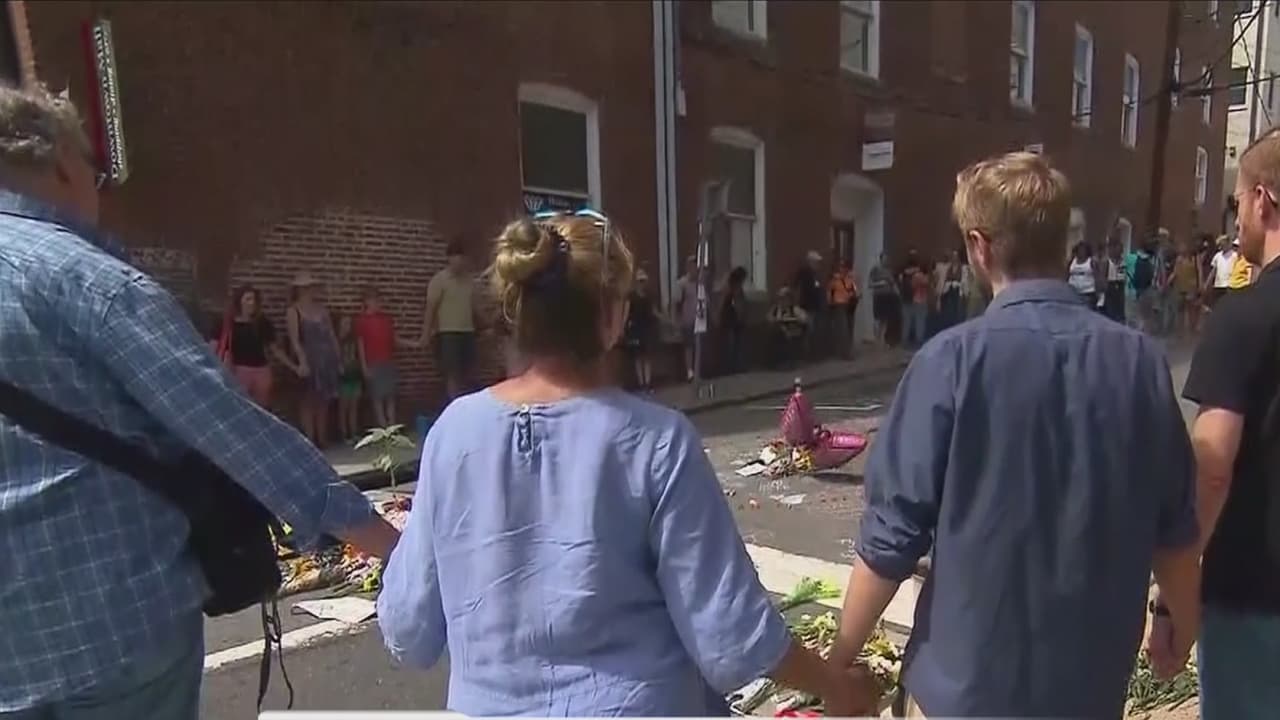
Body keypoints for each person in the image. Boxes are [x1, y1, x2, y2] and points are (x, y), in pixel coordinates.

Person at [0, 84, 399, 720]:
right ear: (62, 165)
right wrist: (384, 541)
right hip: (111, 629)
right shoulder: (88, 283)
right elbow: (233, 431)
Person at [377, 212, 871, 717]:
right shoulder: (655, 441)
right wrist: (837, 685)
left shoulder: (452, 433)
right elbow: (731, 633)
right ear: (612, 316)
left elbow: (408, 627)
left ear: (515, 309)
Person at [828, 152, 1200, 718]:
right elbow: (1173, 527)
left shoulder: (949, 363)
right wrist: (1183, 623)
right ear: (1061, 242)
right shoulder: (1140, 364)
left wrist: (838, 662)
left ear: (979, 246)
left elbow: (891, 537)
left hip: (963, 689)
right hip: (1086, 689)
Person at [1182, 129, 1280, 720]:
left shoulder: (1240, 318)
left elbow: (1211, 468)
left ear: (1262, 199)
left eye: (1237, 200)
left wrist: (1173, 595)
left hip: (1255, 593)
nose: (1236, 216)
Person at [217, 284, 298, 407]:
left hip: (261, 370)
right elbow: (217, 347)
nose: (251, 303)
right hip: (239, 370)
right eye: (248, 299)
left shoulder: (262, 322)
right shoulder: (229, 323)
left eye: (254, 299)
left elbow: (274, 349)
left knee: (261, 407)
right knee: (240, 406)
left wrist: (294, 367)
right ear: (239, 301)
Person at [420, 240, 481, 400]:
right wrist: (425, 334)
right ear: (449, 258)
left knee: (468, 371)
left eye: (462, 258)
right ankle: (453, 403)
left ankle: (466, 403)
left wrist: (489, 324)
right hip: (448, 333)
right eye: (456, 258)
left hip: (467, 331)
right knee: (452, 373)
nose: (459, 262)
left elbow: (475, 308)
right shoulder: (439, 280)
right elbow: (431, 308)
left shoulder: (469, 281)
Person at [286, 272, 342, 447]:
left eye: (311, 287)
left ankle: (322, 437)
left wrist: (338, 358)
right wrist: (302, 361)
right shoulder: (293, 311)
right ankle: (309, 440)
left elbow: (331, 335)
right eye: (306, 288)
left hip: (326, 359)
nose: (310, 291)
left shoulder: (322, 310)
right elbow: (294, 340)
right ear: (299, 290)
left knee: (323, 400)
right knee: (308, 400)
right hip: (308, 358)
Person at [355, 286, 401, 428]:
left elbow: (393, 339)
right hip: (373, 362)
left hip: (388, 360)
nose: (377, 303)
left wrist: (415, 343)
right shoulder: (362, 321)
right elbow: (360, 345)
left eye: (378, 300)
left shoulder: (386, 319)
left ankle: (392, 424)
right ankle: (382, 426)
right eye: (374, 300)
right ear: (366, 302)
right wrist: (364, 367)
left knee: (390, 395)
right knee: (377, 396)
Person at [623, 269, 659, 392]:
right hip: (635, 328)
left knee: (647, 356)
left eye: (643, 281)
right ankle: (641, 383)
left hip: (647, 327)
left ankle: (647, 383)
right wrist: (623, 326)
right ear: (636, 282)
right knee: (638, 357)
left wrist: (666, 319)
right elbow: (626, 312)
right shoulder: (631, 296)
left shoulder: (649, 295)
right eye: (640, 281)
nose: (642, 283)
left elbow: (654, 311)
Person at [793, 250, 827, 359]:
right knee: (808, 330)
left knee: (813, 330)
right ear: (810, 261)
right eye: (816, 262)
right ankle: (805, 354)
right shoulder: (805, 273)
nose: (818, 264)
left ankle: (812, 354)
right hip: (808, 305)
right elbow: (800, 287)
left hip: (815, 306)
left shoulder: (815, 274)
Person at [671, 256, 699, 382]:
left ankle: (697, 369)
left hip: (699, 320)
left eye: (696, 266)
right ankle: (689, 371)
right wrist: (675, 321)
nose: (694, 269)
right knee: (689, 346)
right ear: (688, 267)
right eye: (692, 266)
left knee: (698, 345)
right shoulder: (682, 283)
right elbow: (675, 303)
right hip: (687, 320)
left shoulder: (700, 283)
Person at [336, 314, 363, 443]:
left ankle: (353, 432)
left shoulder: (354, 340)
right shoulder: (336, 340)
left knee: (354, 406)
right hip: (343, 377)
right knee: (344, 407)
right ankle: (344, 433)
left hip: (354, 374)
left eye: (349, 323)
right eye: (344, 323)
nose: (347, 326)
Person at [768, 287, 810, 369]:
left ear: (790, 300)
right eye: (780, 299)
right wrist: (776, 321)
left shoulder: (795, 309)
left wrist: (794, 322)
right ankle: (777, 362)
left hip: (794, 333)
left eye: (784, 299)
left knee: (788, 340)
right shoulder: (776, 309)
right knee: (776, 339)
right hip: (780, 333)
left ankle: (789, 362)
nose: (782, 301)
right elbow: (769, 318)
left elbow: (804, 320)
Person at [719, 266, 749, 374]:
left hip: (732, 320)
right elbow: (736, 304)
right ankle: (733, 367)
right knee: (733, 344)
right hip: (732, 320)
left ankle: (734, 366)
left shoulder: (733, 288)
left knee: (734, 344)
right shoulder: (733, 289)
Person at [827, 258, 859, 358]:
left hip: (850, 305)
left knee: (849, 328)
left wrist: (854, 295)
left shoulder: (850, 278)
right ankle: (845, 353)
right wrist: (830, 303)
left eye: (844, 267)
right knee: (843, 329)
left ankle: (847, 350)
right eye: (841, 267)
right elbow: (829, 291)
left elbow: (855, 290)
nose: (842, 269)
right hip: (839, 305)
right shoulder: (834, 280)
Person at [898, 250, 928, 348]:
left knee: (907, 321)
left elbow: (900, 282)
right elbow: (926, 283)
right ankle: (917, 341)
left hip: (907, 298)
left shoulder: (903, 271)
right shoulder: (919, 273)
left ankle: (905, 341)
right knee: (919, 321)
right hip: (917, 298)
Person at [868, 253, 896, 345]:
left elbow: (892, 283)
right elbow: (870, 284)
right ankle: (877, 339)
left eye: (887, 259)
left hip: (888, 296)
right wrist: (880, 283)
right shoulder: (875, 269)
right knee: (877, 318)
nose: (886, 260)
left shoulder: (889, 270)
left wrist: (895, 292)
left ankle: (882, 339)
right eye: (884, 258)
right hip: (878, 296)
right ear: (881, 259)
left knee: (885, 319)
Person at [1171, 246, 1200, 334]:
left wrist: (1201, 285)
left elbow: (1200, 271)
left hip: (1191, 287)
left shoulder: (1195, 258)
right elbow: (1175, 272)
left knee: (1191, 310)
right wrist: (1168, 282)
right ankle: (1180, 331)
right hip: (1180, 287)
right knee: (1180, 310)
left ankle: (1192, 329)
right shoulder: (1179, 259)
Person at [1206, 235, 1237, 308]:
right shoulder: (1217, 256)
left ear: (1228, 243)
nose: (1221, 247)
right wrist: (1207, 283)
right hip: (1218, 285)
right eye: (1220, 245)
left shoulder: (1234, 255)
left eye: (1223, 244)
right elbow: (1213, 271)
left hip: (1229, 285)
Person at [1101, 239, 1127, 322]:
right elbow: (1103, 276)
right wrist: (1105, 287)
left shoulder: (1123, 261)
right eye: (1118, 248)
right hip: (1110, 285)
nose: (1119, 251)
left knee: (1120, 310)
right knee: (1110, 311)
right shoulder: (1106, 261)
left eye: (1121, 249)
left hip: (1120, 285)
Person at [1066, 242, 1097, 307]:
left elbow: (1097, 276)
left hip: (1088, 292)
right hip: (1074, 292)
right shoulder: (1072, 261)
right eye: (1080, 250)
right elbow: (1067, 274)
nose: (1081, 252)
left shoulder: (1091, 262)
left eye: (1083, 250)